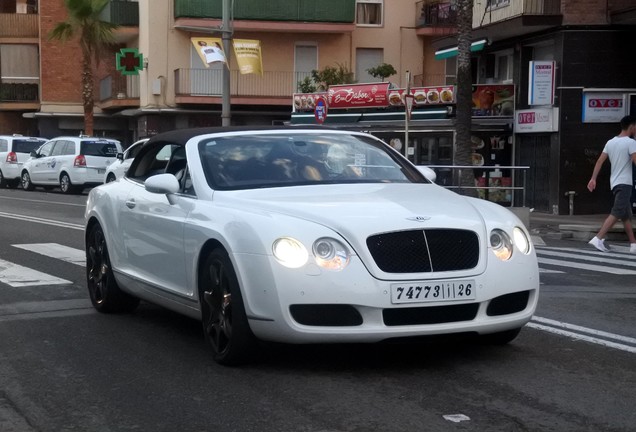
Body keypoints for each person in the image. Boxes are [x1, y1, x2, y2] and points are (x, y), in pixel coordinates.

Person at [586, 115, 636, 253]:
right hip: (625, 183)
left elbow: (599, 161)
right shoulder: (631, 143)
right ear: (631, 127)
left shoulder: (610, 142)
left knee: (626, 214)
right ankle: (598, 238)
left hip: (614, 183)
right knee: (618, 211)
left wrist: (593, 178)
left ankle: (633, 244)